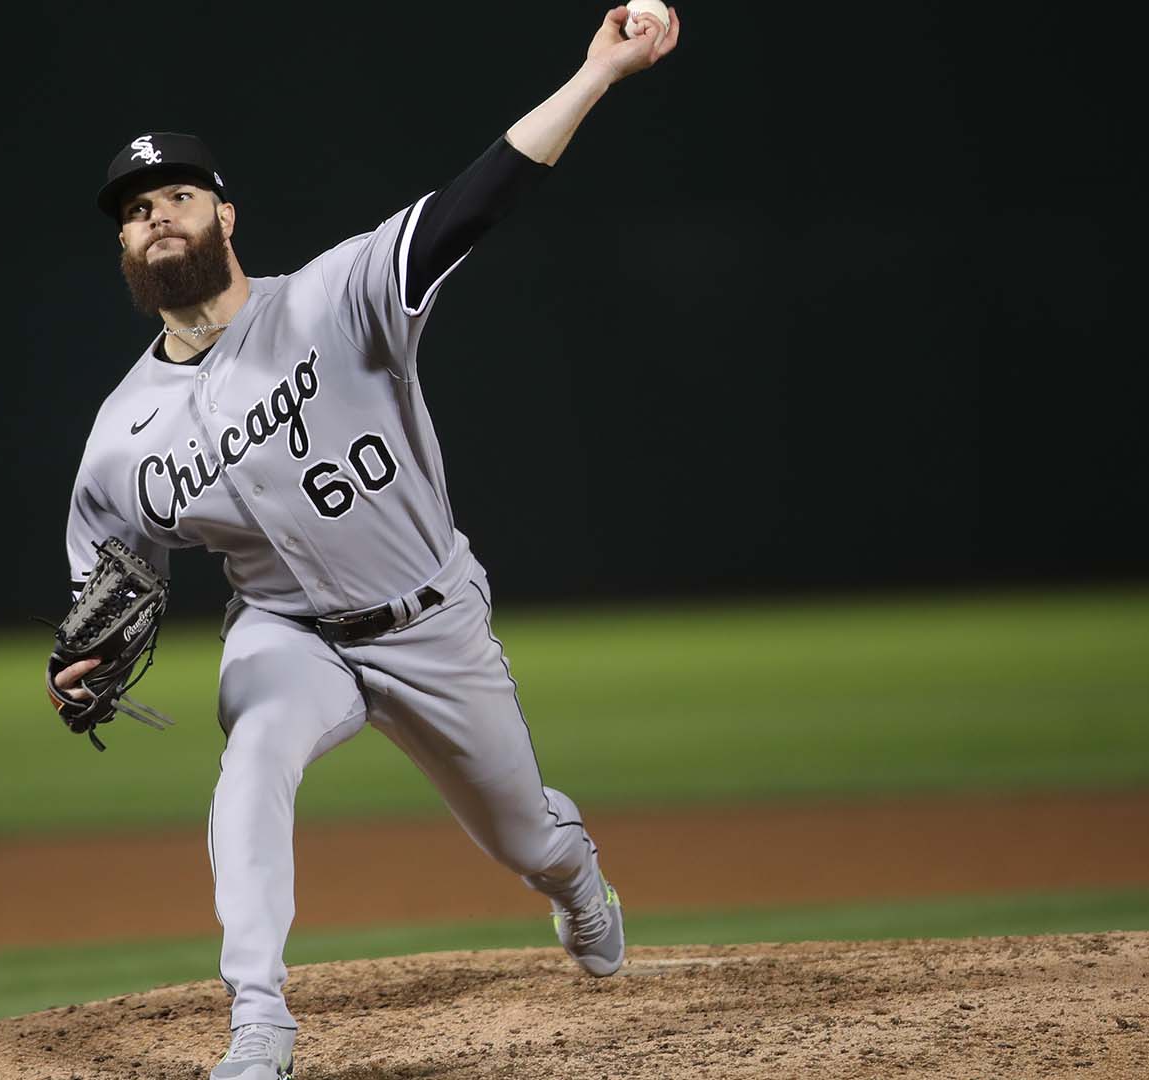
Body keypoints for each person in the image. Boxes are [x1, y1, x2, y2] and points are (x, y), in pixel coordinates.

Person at [52, 8, 682, 1077]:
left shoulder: (336, 298)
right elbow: (106, 584)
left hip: (431, 621)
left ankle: (577, 882)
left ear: (226, 215)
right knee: (252, 757)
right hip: (287, 634)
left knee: (525, 837)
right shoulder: (120, 434)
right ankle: (259, 1024)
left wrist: (599, 74)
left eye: (180, 196)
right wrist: (74, 666)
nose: (159, 216)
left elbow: (480, 197)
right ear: (122, 244)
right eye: (137, 210)